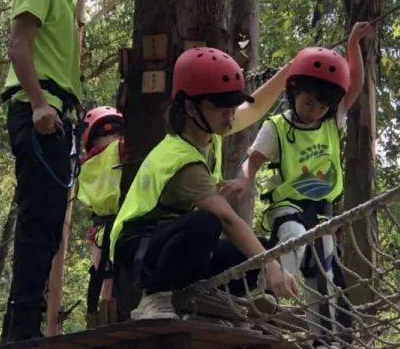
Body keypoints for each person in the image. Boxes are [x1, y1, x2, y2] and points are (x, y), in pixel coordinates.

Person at [109, 47, 298, 320]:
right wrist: (270, 265)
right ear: (189, 107)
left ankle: (203, 303)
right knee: (209, 223)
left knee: (258, 246)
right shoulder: (181, 158)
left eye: (232, 105)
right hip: (140, 249)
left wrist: (289, 69)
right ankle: (155, 298)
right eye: (221, 106)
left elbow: (253, 107)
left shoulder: (209, 130)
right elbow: (227, 219)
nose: (230, 114)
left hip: (171, 244)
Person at [222, 22, 371, 349]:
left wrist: (353, 43)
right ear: (293, 94)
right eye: (308, 102)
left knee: (324, 273)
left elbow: (355, 84)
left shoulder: (332, 121)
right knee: (291, 238)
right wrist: (243, 180)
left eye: (321, 105)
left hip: (324, 214)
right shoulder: (277, 127)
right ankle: (270, 297)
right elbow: (254, 161)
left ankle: (325, 340)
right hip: (288, 206)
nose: (314, 110)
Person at [1, 0, 90, 343]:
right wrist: (38, 104)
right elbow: (19, 46)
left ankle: (23, 325)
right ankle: (21, 331)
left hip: (57, 115)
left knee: (49, 224)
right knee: (39, 222)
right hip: (39, 112)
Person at [76, 105, 124, 326]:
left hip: (100, 231)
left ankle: (101, 318)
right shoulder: (122, 150)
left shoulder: (84, 165)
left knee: (104, 280)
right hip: (124, 224)